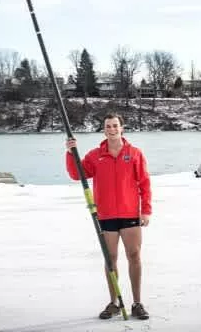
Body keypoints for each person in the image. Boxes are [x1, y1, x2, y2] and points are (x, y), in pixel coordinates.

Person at [65, 112, 152, 320]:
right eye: (108, 126)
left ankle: (137, 303)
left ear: (122, 128)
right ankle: (114, 303)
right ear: (104, 130)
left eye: (115, 126)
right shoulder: (95, 155)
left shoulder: (134, 153)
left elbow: (144, 183)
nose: (112, 129)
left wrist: (146, 210)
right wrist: (70, 153)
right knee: (110, 259)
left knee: (134, 256)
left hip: (130, 214)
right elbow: (77, 174)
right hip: (106, 215)